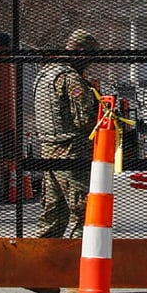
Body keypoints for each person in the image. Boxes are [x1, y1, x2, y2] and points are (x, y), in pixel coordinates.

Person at [32, 29, 99, 240]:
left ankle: (41, 260)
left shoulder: (44, 74)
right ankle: (79, 260)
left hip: (48, 148)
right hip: (71, 150)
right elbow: (84, 120)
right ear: (81, 52)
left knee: (52, 213)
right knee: (83, 213)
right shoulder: (70, 78)